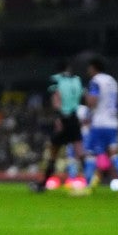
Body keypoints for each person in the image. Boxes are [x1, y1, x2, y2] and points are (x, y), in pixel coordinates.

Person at [82, 57, 118, 195]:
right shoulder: (111, 81)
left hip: (100, 122)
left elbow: (93, 101)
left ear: (93, 68)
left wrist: (86, 96)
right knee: (113, 154)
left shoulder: (96, 81)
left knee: (92, 154)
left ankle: (88, 186)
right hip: (112, 122)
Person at [33, 60, 83, 192]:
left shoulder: (56, 80)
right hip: (74, 117)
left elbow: (56, 98)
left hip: (63, 117)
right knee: (79, 151)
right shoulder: (77, 80)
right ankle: (89, 181)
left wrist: (58, 118)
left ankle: (42, 184)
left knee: (53, 152)